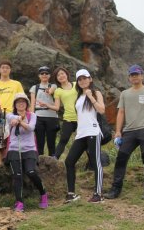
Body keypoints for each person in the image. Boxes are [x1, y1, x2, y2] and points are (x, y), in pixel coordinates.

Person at [105, 64, 144, 200]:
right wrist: (118, 131)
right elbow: (121, 112)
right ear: (129, 78)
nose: (135, 77)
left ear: (142, 76)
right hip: (129, 131)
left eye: (137, 74)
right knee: (121, 159)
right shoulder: (125, 94)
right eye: (132, 75)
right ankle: (115, 190)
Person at [64, 69, 106, 204]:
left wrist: (91, 97)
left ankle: (98, 194)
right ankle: (71, 194)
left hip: (93, 131)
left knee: (95, 162)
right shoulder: (78, 97)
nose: (83, 81)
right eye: (80, 79)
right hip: (81, 133)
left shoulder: (96, 92)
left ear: (90, 79)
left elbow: (101, 110)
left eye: (85, 78)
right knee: (69, 161)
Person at [7, 93, 49, 213]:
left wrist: (20, 121)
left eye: (23, 101)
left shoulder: (33, 115)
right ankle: (19, 202)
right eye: (18, 102)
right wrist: (17, 119)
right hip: (14, 149)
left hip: (29, 149)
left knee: (30, 171)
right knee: (17, 175)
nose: (21, 104)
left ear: (27, 104)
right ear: (15, 105)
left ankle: (43, 193)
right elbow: (11, 120)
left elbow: (31, 128)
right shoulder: (10, 115)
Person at [0, 60, 24, 158]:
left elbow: (22, 99)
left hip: (13, 115)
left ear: (10, 70)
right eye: (3, 67)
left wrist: (22, 114)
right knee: (1, 142)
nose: (5, 69)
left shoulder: (16, 84)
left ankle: (13, 162)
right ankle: (3, 164)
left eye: (7, 67)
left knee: (13, 141)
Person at [29, 66, 60, 156]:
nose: (44, 75)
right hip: (39, 116)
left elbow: (52, 90)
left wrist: (50, 91)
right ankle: (39, 161)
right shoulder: (34, 87)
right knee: (39, 142)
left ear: (50, 75)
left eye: (46, 73)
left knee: (51, 142)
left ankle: (53, 162)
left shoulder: (54, 86)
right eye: (42, 73)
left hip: (52, 117)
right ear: (39, 76)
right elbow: (32, 104)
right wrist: (31, 118)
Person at [52, 67, 79, 159]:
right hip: (68, 118)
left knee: (85, 140)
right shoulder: (58, 91)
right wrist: (46, 105)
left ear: (67, 74)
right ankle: (55, 158)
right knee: (63, 140)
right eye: (58, 75)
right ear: (56, 78)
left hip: (82, 118)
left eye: (62, 73)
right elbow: (56, 107)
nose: (61, 76)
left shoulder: (76, 84)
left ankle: (91, 163)